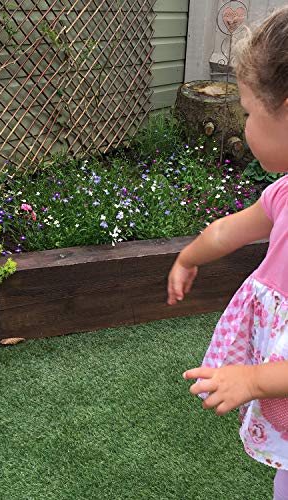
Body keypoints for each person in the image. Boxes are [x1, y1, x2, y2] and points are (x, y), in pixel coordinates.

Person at [166, 6, 288, 499]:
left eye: (247, 111)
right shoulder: (284, 194)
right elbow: (229, 231)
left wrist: (256, 380)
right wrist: (190, 256)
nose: (244, 125)